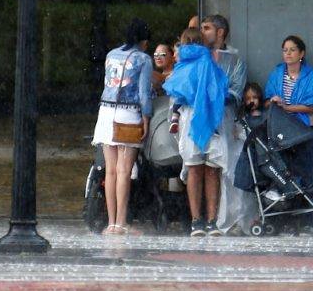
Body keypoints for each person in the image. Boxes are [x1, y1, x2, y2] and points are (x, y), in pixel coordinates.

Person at [163, 27, 229, 237]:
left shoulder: (182, 65)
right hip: (210, 118)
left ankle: (196, 221)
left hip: (189, 117)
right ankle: (212, 220)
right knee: (212, 169)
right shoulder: (209, 62)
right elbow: (219, 90)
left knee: (193, 168)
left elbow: (176, 92)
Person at [91, 18, 153, 236]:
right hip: (129, 113)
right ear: (144, 40)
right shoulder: (143, 59)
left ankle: (110, 223)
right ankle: (121, 222)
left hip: (106, 113)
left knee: (111, 171)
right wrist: (146, 118)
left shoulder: (111, 55)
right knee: (124, 171)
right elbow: (144, 93)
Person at [199, 14, 251, 234]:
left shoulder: (235, 60)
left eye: (207, 28)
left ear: (220, 32)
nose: (202, 32)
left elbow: (236, 92)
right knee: (202, 167)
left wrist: (213, 96)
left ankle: (227, 218)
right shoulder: (199, 56)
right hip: (201, 118)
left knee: (224, 168)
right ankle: (208, 218)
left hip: (224, 118)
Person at [264, 35, 313, 191]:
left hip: (304, 131)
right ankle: (286, 208)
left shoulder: (312, 76)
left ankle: (305, 209)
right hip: (280, 131)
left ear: (301, 53)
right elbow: (266, 103)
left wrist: (287, 107)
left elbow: (312, 107)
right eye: (285, 50)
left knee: (305, 172)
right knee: (282, 173)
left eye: (292, 50)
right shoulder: (276, 74)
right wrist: (273, 101)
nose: (288, 53)